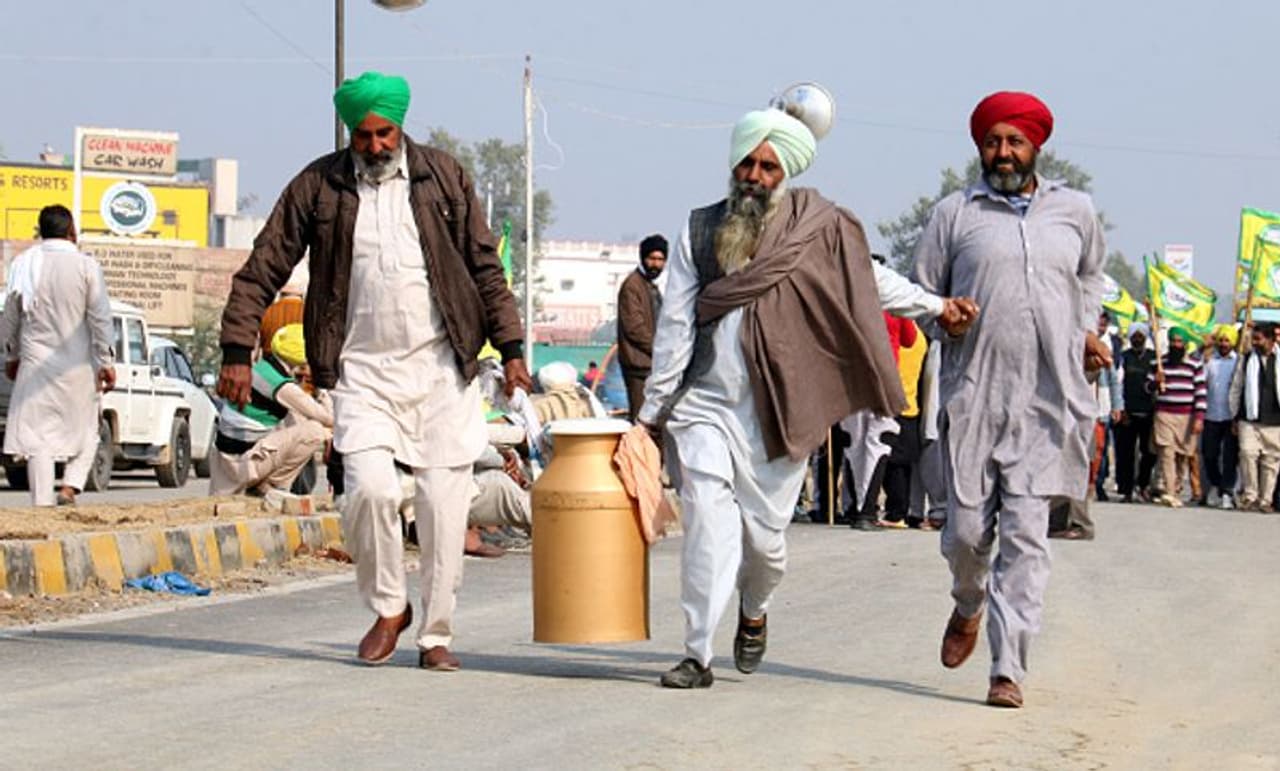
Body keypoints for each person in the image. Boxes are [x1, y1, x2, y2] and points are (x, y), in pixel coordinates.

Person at [639, 106, 977, 689]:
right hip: (705, 406)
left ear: (786, 172)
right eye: (747, 162)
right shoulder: (699, 229)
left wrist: (936, 306)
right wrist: (652, 413)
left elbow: (871, 281)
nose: (755, 175)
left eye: (768, 166)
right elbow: (674, 323)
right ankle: (698, 653)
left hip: (782, 411)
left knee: (765, 545)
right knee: (707, 525)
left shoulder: (819, 226)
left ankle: (754, 608)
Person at [217, 71, 531, 671]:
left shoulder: (443, 176)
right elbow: (264, 265)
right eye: (363, 136)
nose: (375, 146)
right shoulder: (319, 185)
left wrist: (511, 347)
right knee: (368, 491)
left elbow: (485, 267)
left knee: (442, 508)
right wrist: (236, 348)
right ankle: (390, 607)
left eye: (384, 133)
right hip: (360, 371)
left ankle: (436, 635)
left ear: (400, 126)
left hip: (443, 369)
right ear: (349, 133)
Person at [912, 91, 1109, 708]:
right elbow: (922, 295)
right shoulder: (954, 214)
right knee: (966, 534)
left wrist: (1085, 330)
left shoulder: (1075, 211)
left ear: (1035, 147)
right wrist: (945, 317)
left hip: (1047, 398)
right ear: (980, 147)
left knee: (1027, 540)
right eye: (993, 141)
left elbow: (1091, 277)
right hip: (974, 395)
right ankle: (968, 601)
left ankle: (1008, 669)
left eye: (1014, 141)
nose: (1003, 152)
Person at [1, 204, 115, 507]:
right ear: (71, 231)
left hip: (34, 365)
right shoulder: (86, 266)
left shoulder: (24, 264)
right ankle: (70, 486)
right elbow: (100, 318)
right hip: (76, 366)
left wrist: (11, 356)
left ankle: (42, 505)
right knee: (88, 429)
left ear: (41, 231)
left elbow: (10, 318)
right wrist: (106, 361)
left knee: (38, 440)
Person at [209, 324, 333, 497]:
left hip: (226, 464)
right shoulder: (281, 386)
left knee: (295, 418)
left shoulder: (262, 368)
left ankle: (264, 485)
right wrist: (322, 388)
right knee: (315, 431)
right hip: (243, 465)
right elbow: (327, 418)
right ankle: (274, 487)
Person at [1147, 327, 1206, 508]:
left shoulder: (1195, 365)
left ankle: (1177, 486)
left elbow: (1201, 392)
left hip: (1186, 417)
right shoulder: (1158, 363)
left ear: (1185, 344)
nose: (1175, 345)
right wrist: (1156, 382)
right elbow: (1147, 388)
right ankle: (1169, 491)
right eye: (1173, 341)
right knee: (1166, 452)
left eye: (1179, 342)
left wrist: (1199, 418)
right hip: (1164, 414)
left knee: (1182, 455)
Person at [1229, 322, 1280, 513]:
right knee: (1247, 454)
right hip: (1249, 418)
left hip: (1275, 420)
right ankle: (1250, 496)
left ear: (1271, 339)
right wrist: (1234, 415)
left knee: (1271, 460)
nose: (1255, 343)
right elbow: (1236, 388)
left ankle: (1265, 500)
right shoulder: (1246, 359)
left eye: (1258, 339)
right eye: (1253, 339)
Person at [617, 234, 667, 421]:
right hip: (639, 366)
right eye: (652, 258)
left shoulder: (650, 286)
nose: (656, 264)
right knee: (641, 420)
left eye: (660, 260)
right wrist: (660, 350)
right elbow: (635, 329)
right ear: (643, 258)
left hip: (652, 364)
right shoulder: (633, 286)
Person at [1115, 322, 1159, 502]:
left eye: (1141, 336)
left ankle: (1143, 485)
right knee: (1125, 454)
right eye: (1135, 336)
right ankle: (1126, 490)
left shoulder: (1154, 357)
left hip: (1149, 412)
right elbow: (1118, 383)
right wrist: (1121, 408)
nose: (1138, 339)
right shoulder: (1124, 357)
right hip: (1128, 413)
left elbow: (1157, 383)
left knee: (1149, 453)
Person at [1201, 324, 1239, 509]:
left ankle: (1227, 492)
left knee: (1230, 457)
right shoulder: (1210, 361)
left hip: (1231, 416)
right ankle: (1216, 484)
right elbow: (1202, 382)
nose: (1224, 344)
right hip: (1211, 415)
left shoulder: (1239, 362)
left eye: (1227, 341)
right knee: (1209, 454)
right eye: (1221, 340)